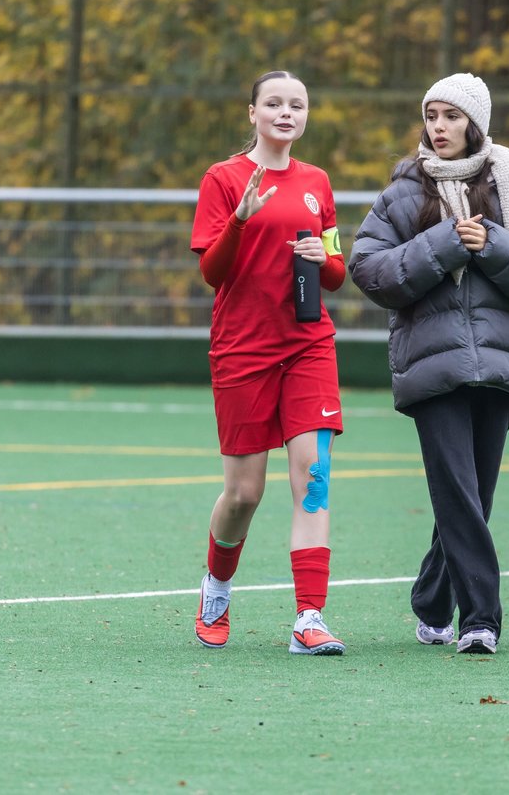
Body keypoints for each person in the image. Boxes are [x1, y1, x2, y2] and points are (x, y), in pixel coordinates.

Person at [348, 73, 509, 655]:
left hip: (499, 367)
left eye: (451, 116)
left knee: (475, 497)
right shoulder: (402, 192)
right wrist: (446, 243)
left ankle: (431, 600)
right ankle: (480, 620)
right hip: (432, 369)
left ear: (476, 123)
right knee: (456, 493)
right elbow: (369, 270)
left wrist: (491, 244)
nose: (439, 127)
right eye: (431, 115)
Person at [188, 70, 347, 655]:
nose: (286, 113)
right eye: (274, 103)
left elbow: (336, 271)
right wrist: (241, 219)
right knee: (244, 494)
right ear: (252, 113)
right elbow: (212, 272)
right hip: (243, 349)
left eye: (297, 105)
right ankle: (216, 587)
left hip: (308, 345)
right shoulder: (224, 178)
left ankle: (309, 619)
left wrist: (322, 258)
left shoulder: (316, 182)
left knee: (314, 479)